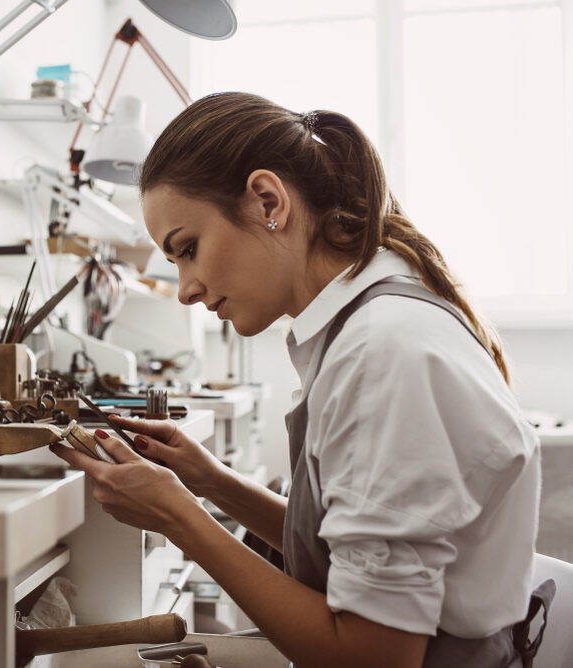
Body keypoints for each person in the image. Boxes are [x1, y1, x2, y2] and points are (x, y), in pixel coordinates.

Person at [51, 92, 550, 667]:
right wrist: (213, 483)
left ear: (268, 200)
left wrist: (178, 518)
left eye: (188, 249)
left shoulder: (379, 352)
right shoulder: (370, 323)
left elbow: (375, 657)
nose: (185, 288)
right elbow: (355, 547)